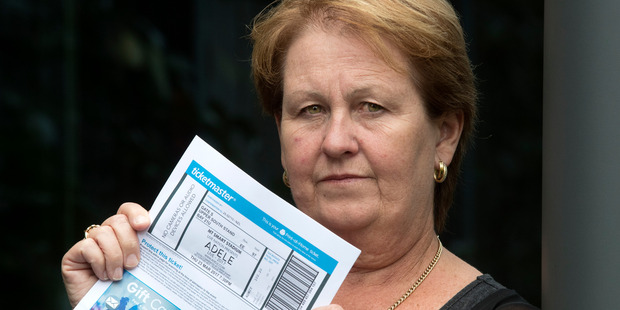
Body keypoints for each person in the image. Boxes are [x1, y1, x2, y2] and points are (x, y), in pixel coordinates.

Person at [61, 0, 538, 309]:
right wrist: (108, 295)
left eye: (370, 107)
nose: (335, 141)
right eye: (310, 110)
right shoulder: (209, 292)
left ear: (445, 135)